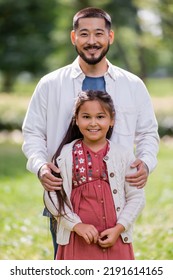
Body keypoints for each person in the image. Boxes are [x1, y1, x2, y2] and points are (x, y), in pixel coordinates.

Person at [22, 7, 159, 258]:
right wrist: (41, 166)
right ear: (74, 37)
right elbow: (32, 133)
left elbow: (148, 133)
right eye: (84, 34)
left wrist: (147, 163)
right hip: (65, 201)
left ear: (111, 37)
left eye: (99, 33)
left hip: (117, 201)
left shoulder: (132, 85)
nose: (92, 41)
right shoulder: (50, 84)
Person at [44, 90, 145, 260]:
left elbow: (137, 197)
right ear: (76, 120)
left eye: (100, 117)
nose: (93, 123)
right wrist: (76, 225)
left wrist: (120, 228)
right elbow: (52, 195)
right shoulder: (65, 155)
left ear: (111, 120)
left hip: (115, 238)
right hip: (77, 239)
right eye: (86, 117)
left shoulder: (124, 155)